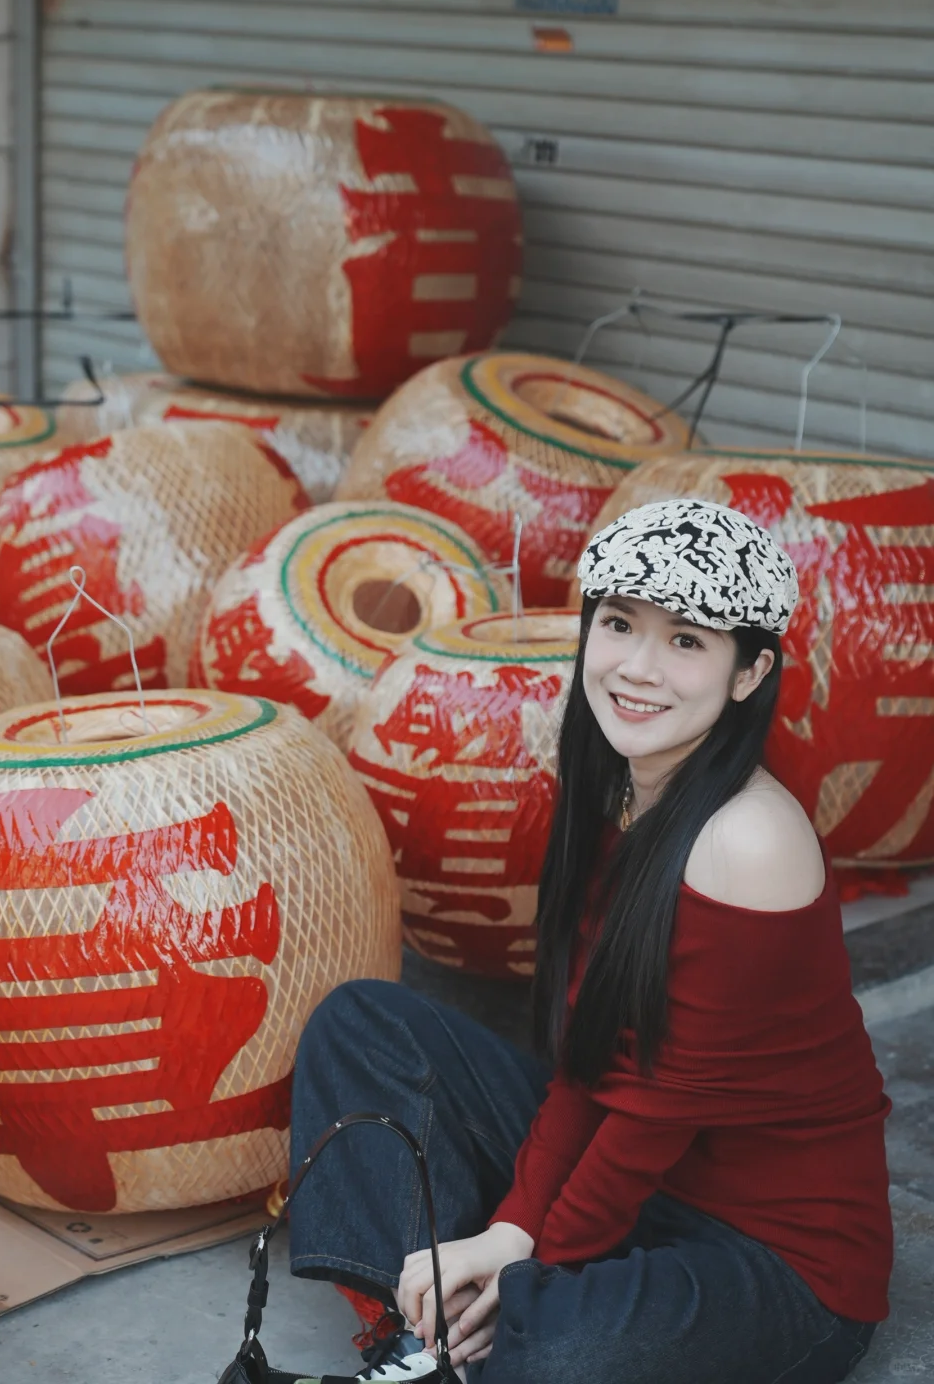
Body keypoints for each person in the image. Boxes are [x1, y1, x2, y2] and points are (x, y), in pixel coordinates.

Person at [288, 499, 892, 1384]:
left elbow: (657, 1113)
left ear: (748, 672)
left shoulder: (748, 841)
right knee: (362, 1023)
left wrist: (532, 1256)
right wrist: (509, 1233)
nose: (638, 668)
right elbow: (591, 1069)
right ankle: (434, 1331)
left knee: (570, 1353)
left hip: (772, 1255)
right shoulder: (621, 788)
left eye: (687, 640)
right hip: (640, 1169)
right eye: (618, 625)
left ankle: (476, 1328)